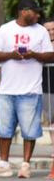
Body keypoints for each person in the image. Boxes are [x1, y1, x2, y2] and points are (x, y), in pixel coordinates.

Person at [0, 0, 54, 179]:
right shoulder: (6, 29)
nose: (38, 15)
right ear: (24, 11)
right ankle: (3, 164)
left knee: (29, 131)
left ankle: (25, 165)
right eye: (34, 11)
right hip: (7, 89)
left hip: (31, 89)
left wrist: (34, 55)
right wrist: (11, 55)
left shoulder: (40, 31)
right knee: (4, 129)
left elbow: (50, 55)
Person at [42, 19, 54, 156]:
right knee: (51, 120)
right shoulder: (40, 44)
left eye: (53, 29)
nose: (51, 32)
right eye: (48, 30)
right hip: (47, 87)